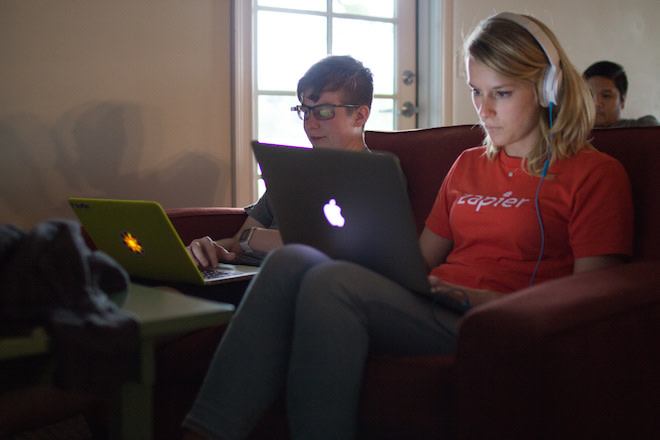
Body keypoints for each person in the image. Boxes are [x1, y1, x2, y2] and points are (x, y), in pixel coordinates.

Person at [181, 12, 633, 440]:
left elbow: (587, 301)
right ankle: (204, 431)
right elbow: (417, 261)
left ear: (547, 88)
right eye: (477, 92)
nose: (485, 110)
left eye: (502, 93)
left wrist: (483, 297)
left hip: (496, 319)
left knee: (331, 284)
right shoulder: (468, 164)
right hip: (438, 301)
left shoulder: (595, 173)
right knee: (294, 260)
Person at [185, 55, 373, 269]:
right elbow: (239, 243)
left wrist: (254, 238)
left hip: (290, 279)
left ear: (359, 116)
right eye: (305, 111)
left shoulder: (376, 175)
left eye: (323, 112)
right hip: (241, 272)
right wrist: (208, 249)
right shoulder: (292, 172)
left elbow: (339, 250)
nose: (310, 124)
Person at [583, 60, 659, 128]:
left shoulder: (644, 128)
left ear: (622, 100)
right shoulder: (575, 135)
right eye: (590, 95)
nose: (596, 103)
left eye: (606, 96)